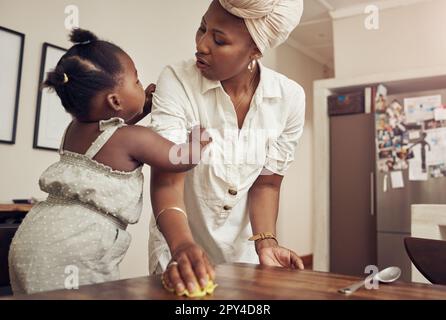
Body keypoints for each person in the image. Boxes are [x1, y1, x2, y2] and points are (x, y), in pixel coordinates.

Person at [8, 28, 210, 295]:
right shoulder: (132, 138)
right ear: (115, 101)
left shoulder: (74, 131)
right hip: (76, 245)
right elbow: (176, 158)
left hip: (33, 238)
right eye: (136, 81)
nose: (142, 85)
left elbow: (112, 135)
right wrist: (197, 143)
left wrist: (139, 109)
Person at [149, 0, 306, 295]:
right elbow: (168, 175)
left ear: (256, 51)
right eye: (202, 28)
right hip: (178, 247)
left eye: (219, 40)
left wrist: (266, 242)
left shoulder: (289, 98)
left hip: (243, 258)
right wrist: (182, 246)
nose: (202, 45)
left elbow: (267, 184)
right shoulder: (177, 80)